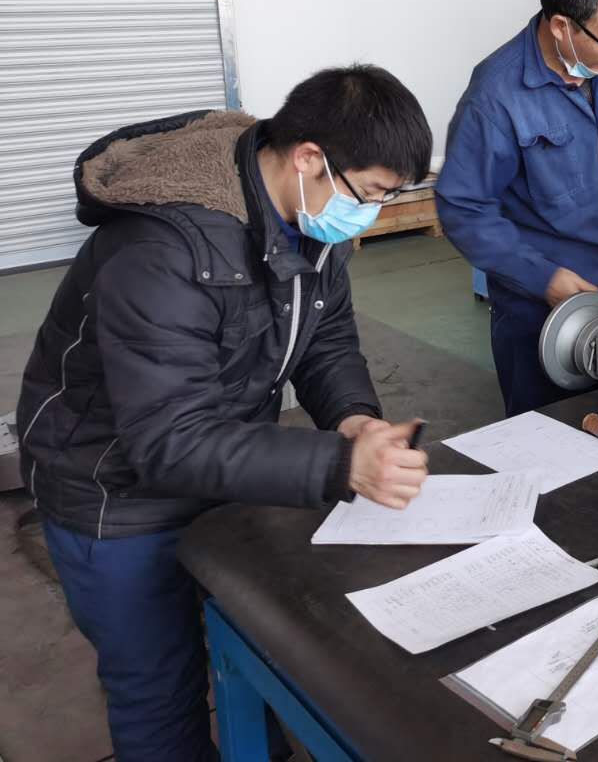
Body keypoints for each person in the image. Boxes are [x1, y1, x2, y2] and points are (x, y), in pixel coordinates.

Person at [16, 66, 434, 760]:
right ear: (309, 157)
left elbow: (325, 335)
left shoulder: (304, 213)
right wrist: (340, 465)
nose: (373, 212)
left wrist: (353, 417)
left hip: (222, 463)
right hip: (112, 494)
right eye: (371, 193)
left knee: (250, 644)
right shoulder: (162, 249)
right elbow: (169, 441)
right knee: (158, 690)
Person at [437, 0, 598, 415]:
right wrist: (542, 278)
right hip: (544, 313)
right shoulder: (496, 97)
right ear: (561, 27)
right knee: (549, 434)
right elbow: (462, 207)